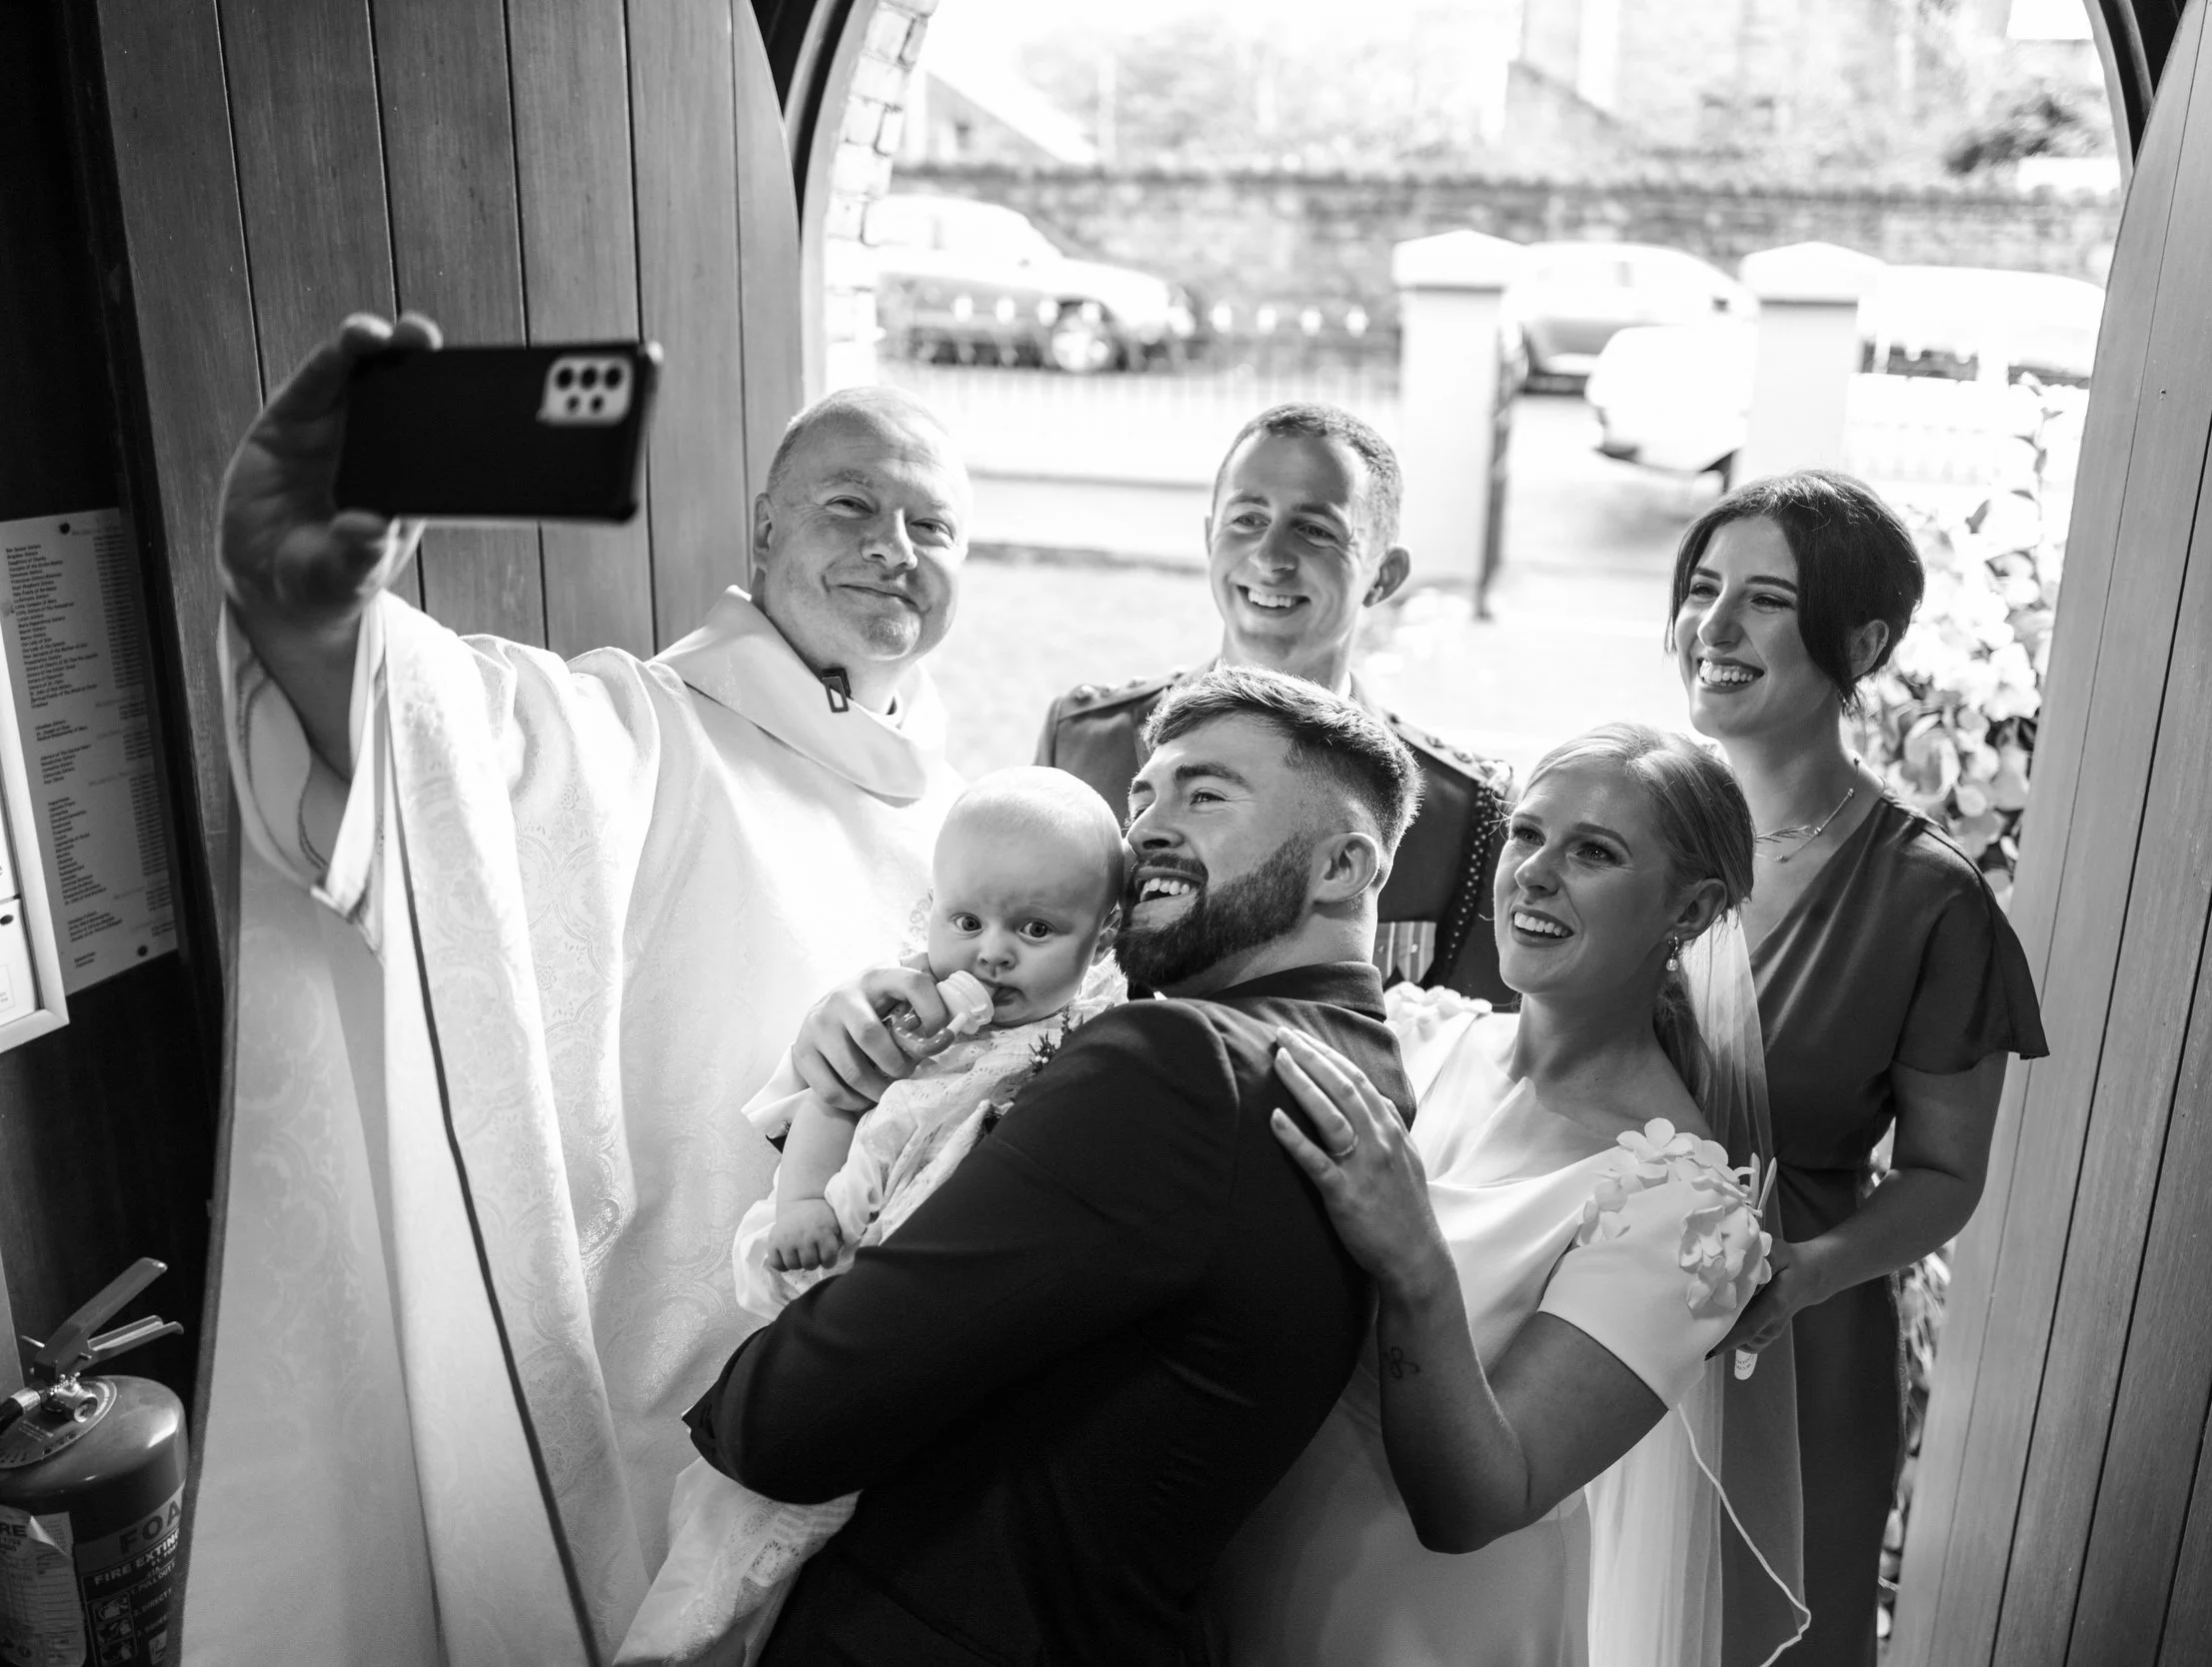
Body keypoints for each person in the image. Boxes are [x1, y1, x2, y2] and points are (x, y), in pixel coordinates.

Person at [200, 312, 976, 1659]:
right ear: (763, 537)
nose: (893, 547)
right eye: (851, 505)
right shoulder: (647, 730)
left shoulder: (959, 812)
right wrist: (309, 612)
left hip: (872, 1411)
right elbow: (462, 754)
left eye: (933, 526)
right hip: (667, 1399)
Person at [687, 667, 1422, 1664]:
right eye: (1142, 798)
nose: (1147, 830)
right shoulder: (1365, 1073)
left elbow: (785, 1422)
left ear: (1342, 866)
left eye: (1205, 795)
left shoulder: (1177, 1066)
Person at [1202, 724, 1808, 1667]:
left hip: (1421, 1624)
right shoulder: (1411, 1037)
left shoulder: (1686, 1213)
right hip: (1224, 1564)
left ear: (1689, 909)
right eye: (1526, 833)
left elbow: (1477, 1503)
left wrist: (1415, 1262)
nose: (1534, 872)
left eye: (1593, 852)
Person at [621, 768, 1129, 1665]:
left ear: (1104, 936)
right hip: (837, 1259)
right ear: (933, 909)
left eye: (1035, 930)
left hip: (922, 1330)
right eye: (966, 922)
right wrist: (802, 1203)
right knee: (724, 1546)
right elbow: (832, 1101)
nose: (991, 955)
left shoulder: (1094, 1037)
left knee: (831, 1556)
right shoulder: (912, 1012)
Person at [1680, 472, 2049, 1667]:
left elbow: (1944, 1175)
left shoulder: (1926, 898)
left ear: (1862, 643)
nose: (1713, 626)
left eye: (1765, 601)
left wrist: (1810, 1273)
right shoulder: (1633, 826)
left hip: (1791, 1342)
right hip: (1592, 1314)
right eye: (1701, 588)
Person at [1036, 403, 1512, 1002]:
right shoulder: (1085, 744)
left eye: (1315, 530)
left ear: (1384, 575)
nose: (1269, 558)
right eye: (1246, 519)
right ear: (1209, 535)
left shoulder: (1463, 812)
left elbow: (1472, 1043)